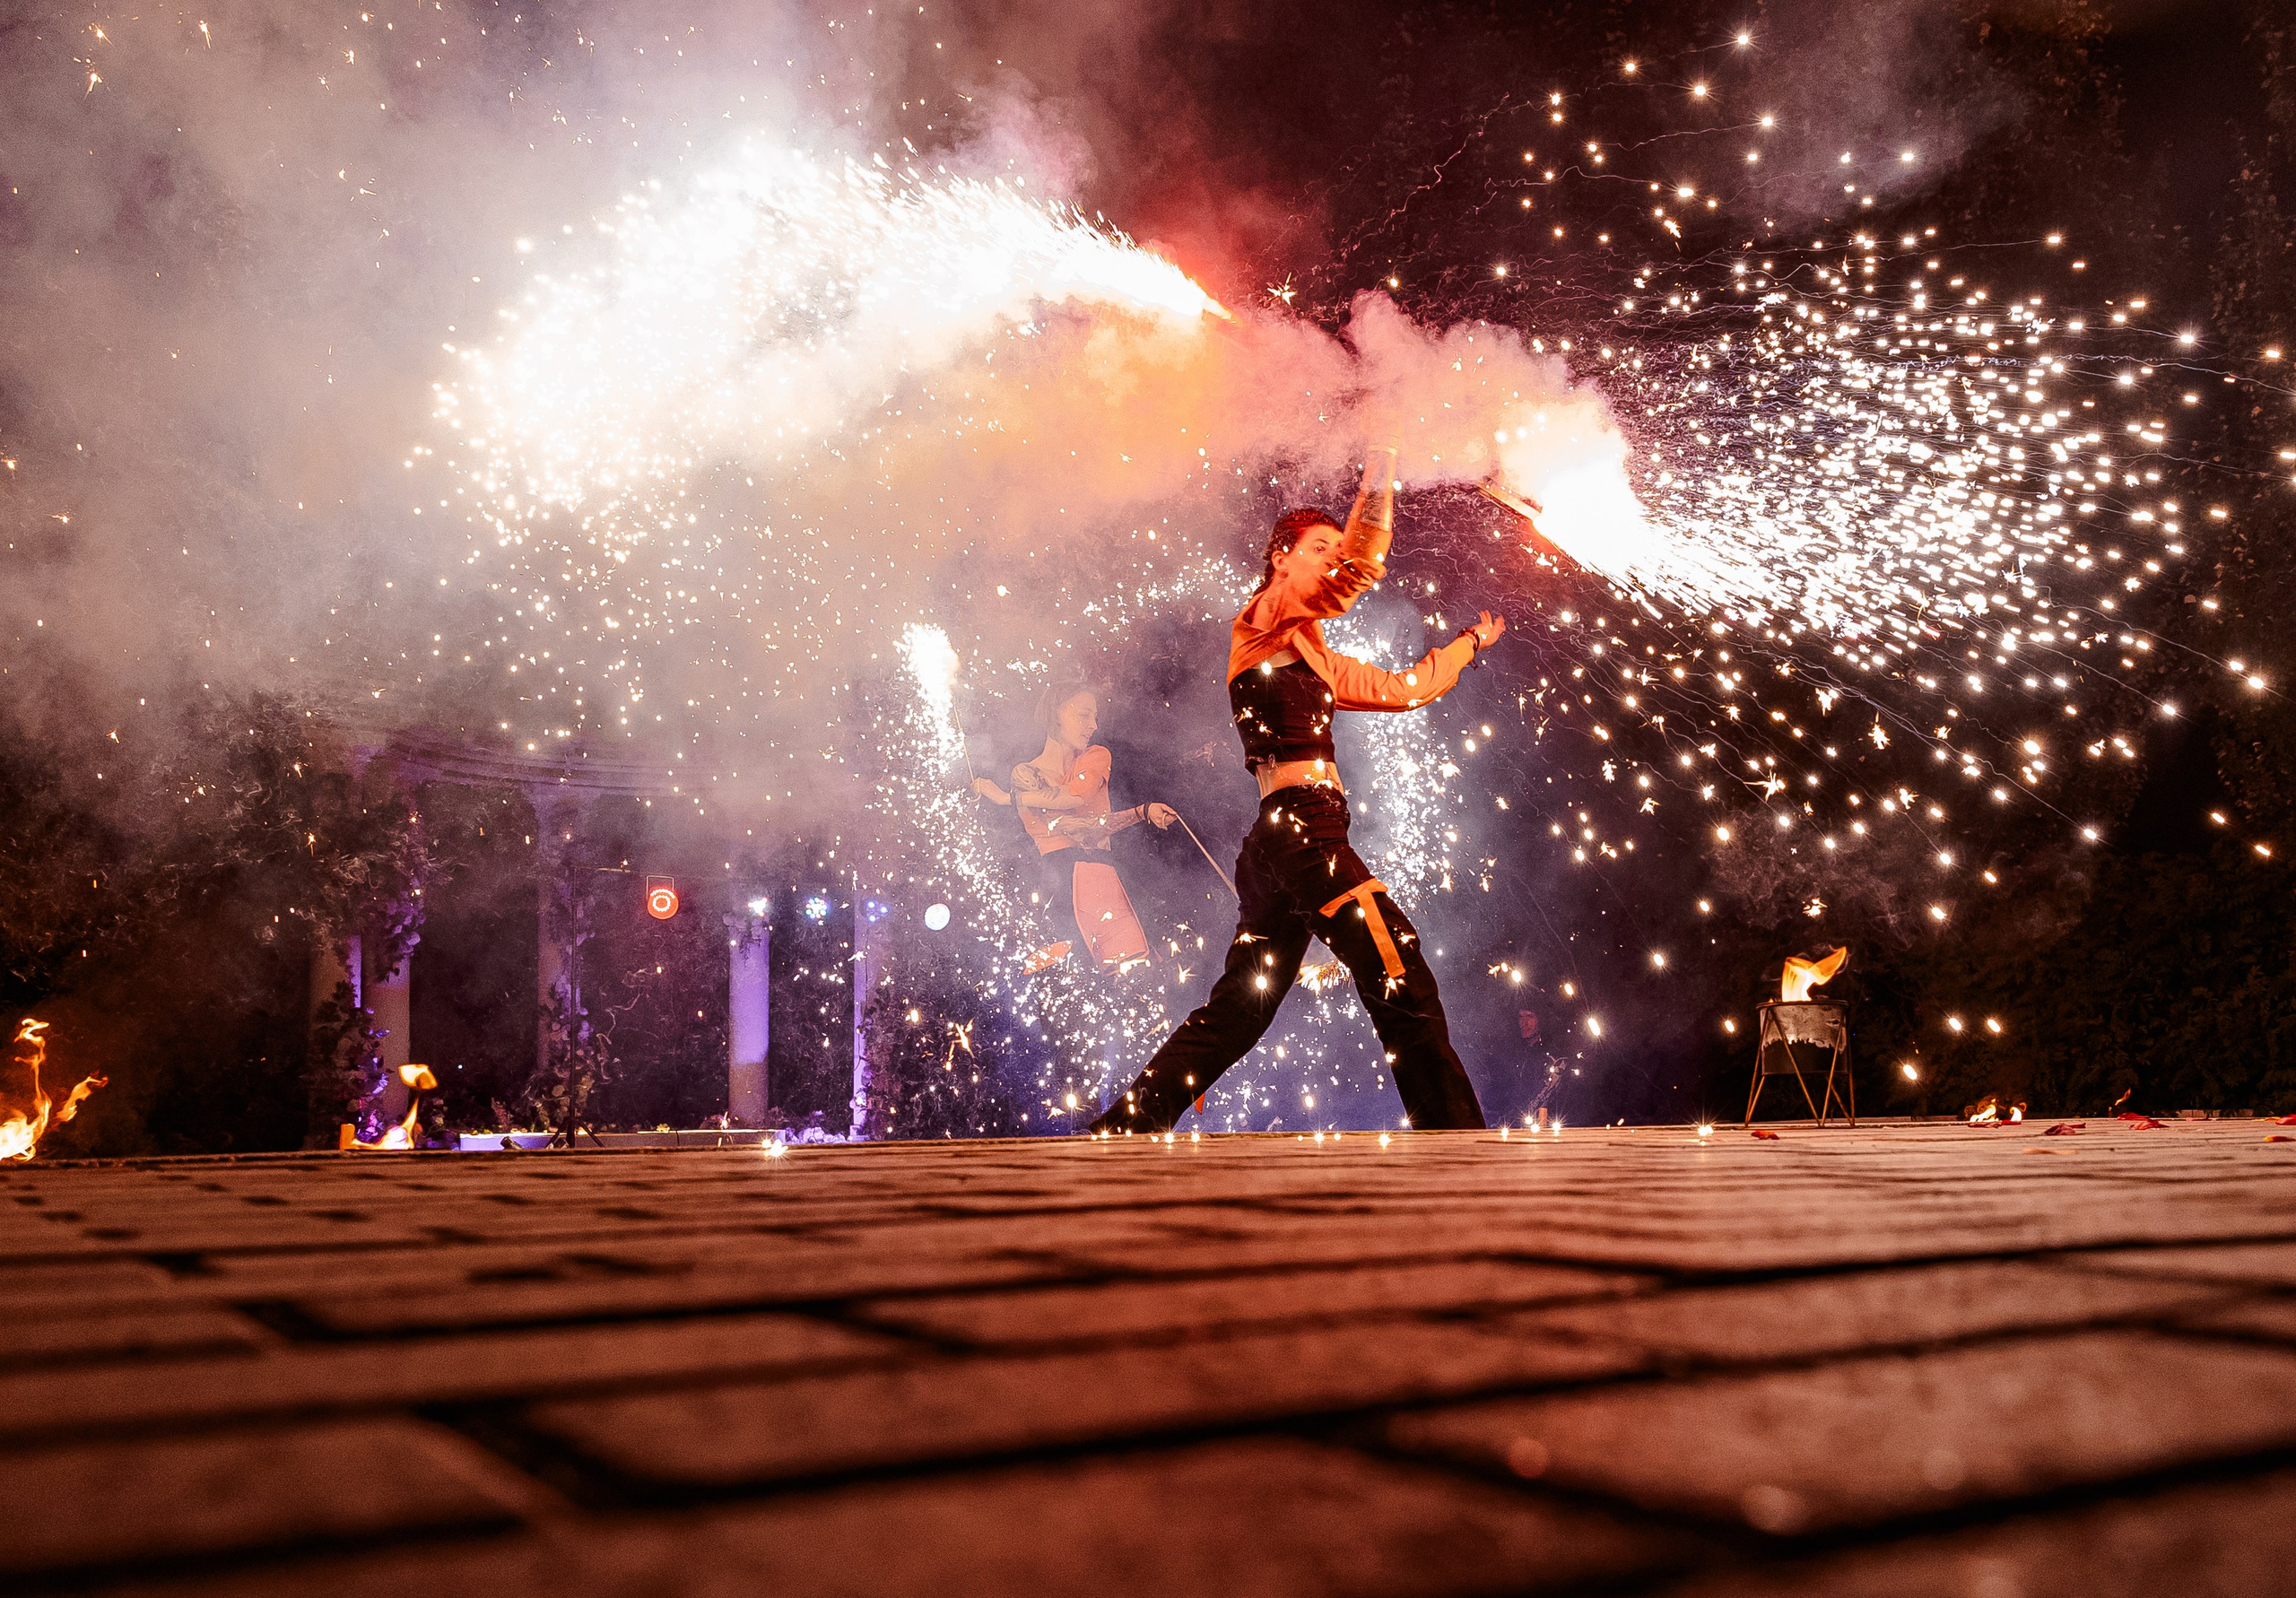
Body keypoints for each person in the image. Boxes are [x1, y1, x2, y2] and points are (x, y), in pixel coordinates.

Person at [1089, 500, 1503, 1134]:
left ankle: (1125, 1125)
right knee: (1399, 969)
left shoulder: (1314, 653)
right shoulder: (1264, 618)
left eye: (1337, 549)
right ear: (1281, 558)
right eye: (1320, 548)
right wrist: (1381, 462)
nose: (1333, 559)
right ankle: (1457, 1143)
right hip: (1303, 830)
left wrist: (1467, 644)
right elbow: (1352, 575)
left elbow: (1403, 689)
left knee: (1242, 1008)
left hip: (1282, 840)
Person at [973, 684, 1178, 975]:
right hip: (1060, 889)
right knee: (1071, 992)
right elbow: (1069, 826)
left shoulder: (1095, 755)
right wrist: (1139, 813)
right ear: (1057, 713)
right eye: (1084, 715)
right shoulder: (1026, 773)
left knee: (1138, 984)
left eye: (1094, 716)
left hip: (1106, 883)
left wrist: (1008, 798)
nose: (1093, 725)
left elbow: (1077, 799)